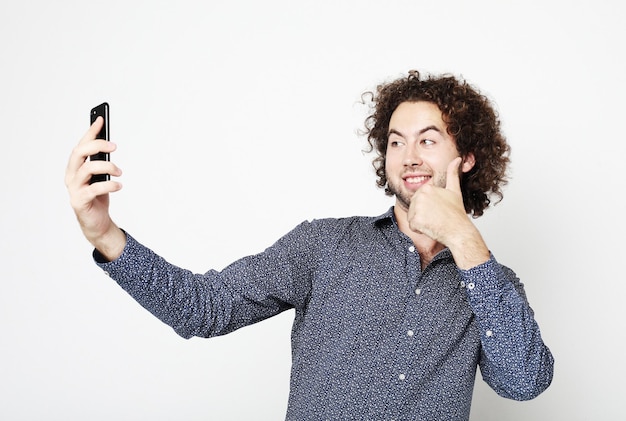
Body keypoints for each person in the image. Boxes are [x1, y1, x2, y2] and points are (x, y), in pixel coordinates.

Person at [65, 70, 554, 420]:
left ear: (466, 157)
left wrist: (466, 239)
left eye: (428, 140)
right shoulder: (324, 245)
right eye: (395, 141)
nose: (408, 156)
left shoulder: (491, 284)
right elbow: (203, 309)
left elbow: (524, 382)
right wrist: (104, 234)